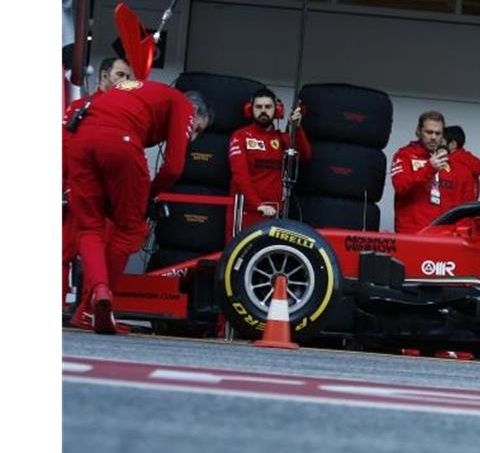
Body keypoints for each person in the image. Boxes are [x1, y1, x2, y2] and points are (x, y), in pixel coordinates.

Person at [67, 80, 213, 334]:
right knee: (130, 230)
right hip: (119, 141)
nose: (194, 136)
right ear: (195, 113)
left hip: (80, 142)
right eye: (197, 129)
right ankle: (96, 305)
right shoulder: (182, 104)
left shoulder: (137, 90)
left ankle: (91, 303)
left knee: (89, 227)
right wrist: (149, 195)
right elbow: (174, 168)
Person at [62, 57, 134, 307]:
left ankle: (87, 310)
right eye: (121, 75)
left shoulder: (128, 112)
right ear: (104, 76)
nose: (126, 82)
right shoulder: (82, 107)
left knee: (101, 260)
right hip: (81, 194)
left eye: (128, 77)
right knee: (63, 252)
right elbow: (64, 148)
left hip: (111, 202)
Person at [227, 87, 311, 238]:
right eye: (258, 107)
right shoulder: (240, 136)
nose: (263, 111)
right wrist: (258, 204)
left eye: (268, 107)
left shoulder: (282, 138)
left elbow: (305, 155)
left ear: (277, 110)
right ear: (250, 110)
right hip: (246, 211)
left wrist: (297, 129)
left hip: (275, 212)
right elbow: (240, 176)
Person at [390, 110, 456, 233]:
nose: (433, 137)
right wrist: (429, 168)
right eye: (429, 132)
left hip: (442, 233)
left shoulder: (447, 161)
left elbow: (455, 201)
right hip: (412, 233)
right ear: (419, 131)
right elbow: (400, 187)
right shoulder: (404, 155)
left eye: (438, 133)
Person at [442, 124, 480, 205]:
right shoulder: (469, 164)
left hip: (450, 216)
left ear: (452, 144)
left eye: (441, 141)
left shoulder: (451, 166)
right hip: (465, 214)